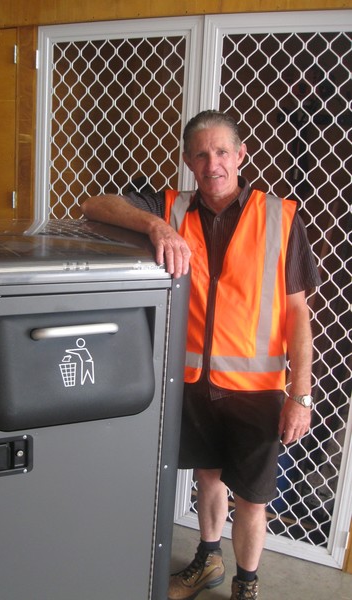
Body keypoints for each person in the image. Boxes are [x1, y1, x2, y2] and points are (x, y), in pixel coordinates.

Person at [80, 110, 321, 600]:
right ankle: (207, 562)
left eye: (222, 152)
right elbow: (94, 204)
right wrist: (155, 227)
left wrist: (302, 394)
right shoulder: (171, 209)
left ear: (241, 155)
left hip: (257, 393)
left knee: (252, 499)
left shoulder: (280, 216)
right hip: (192, 382)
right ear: (189, 161)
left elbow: (299, 314)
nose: (213, 163)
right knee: (208, 479)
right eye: (202, 154)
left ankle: (245, 585)